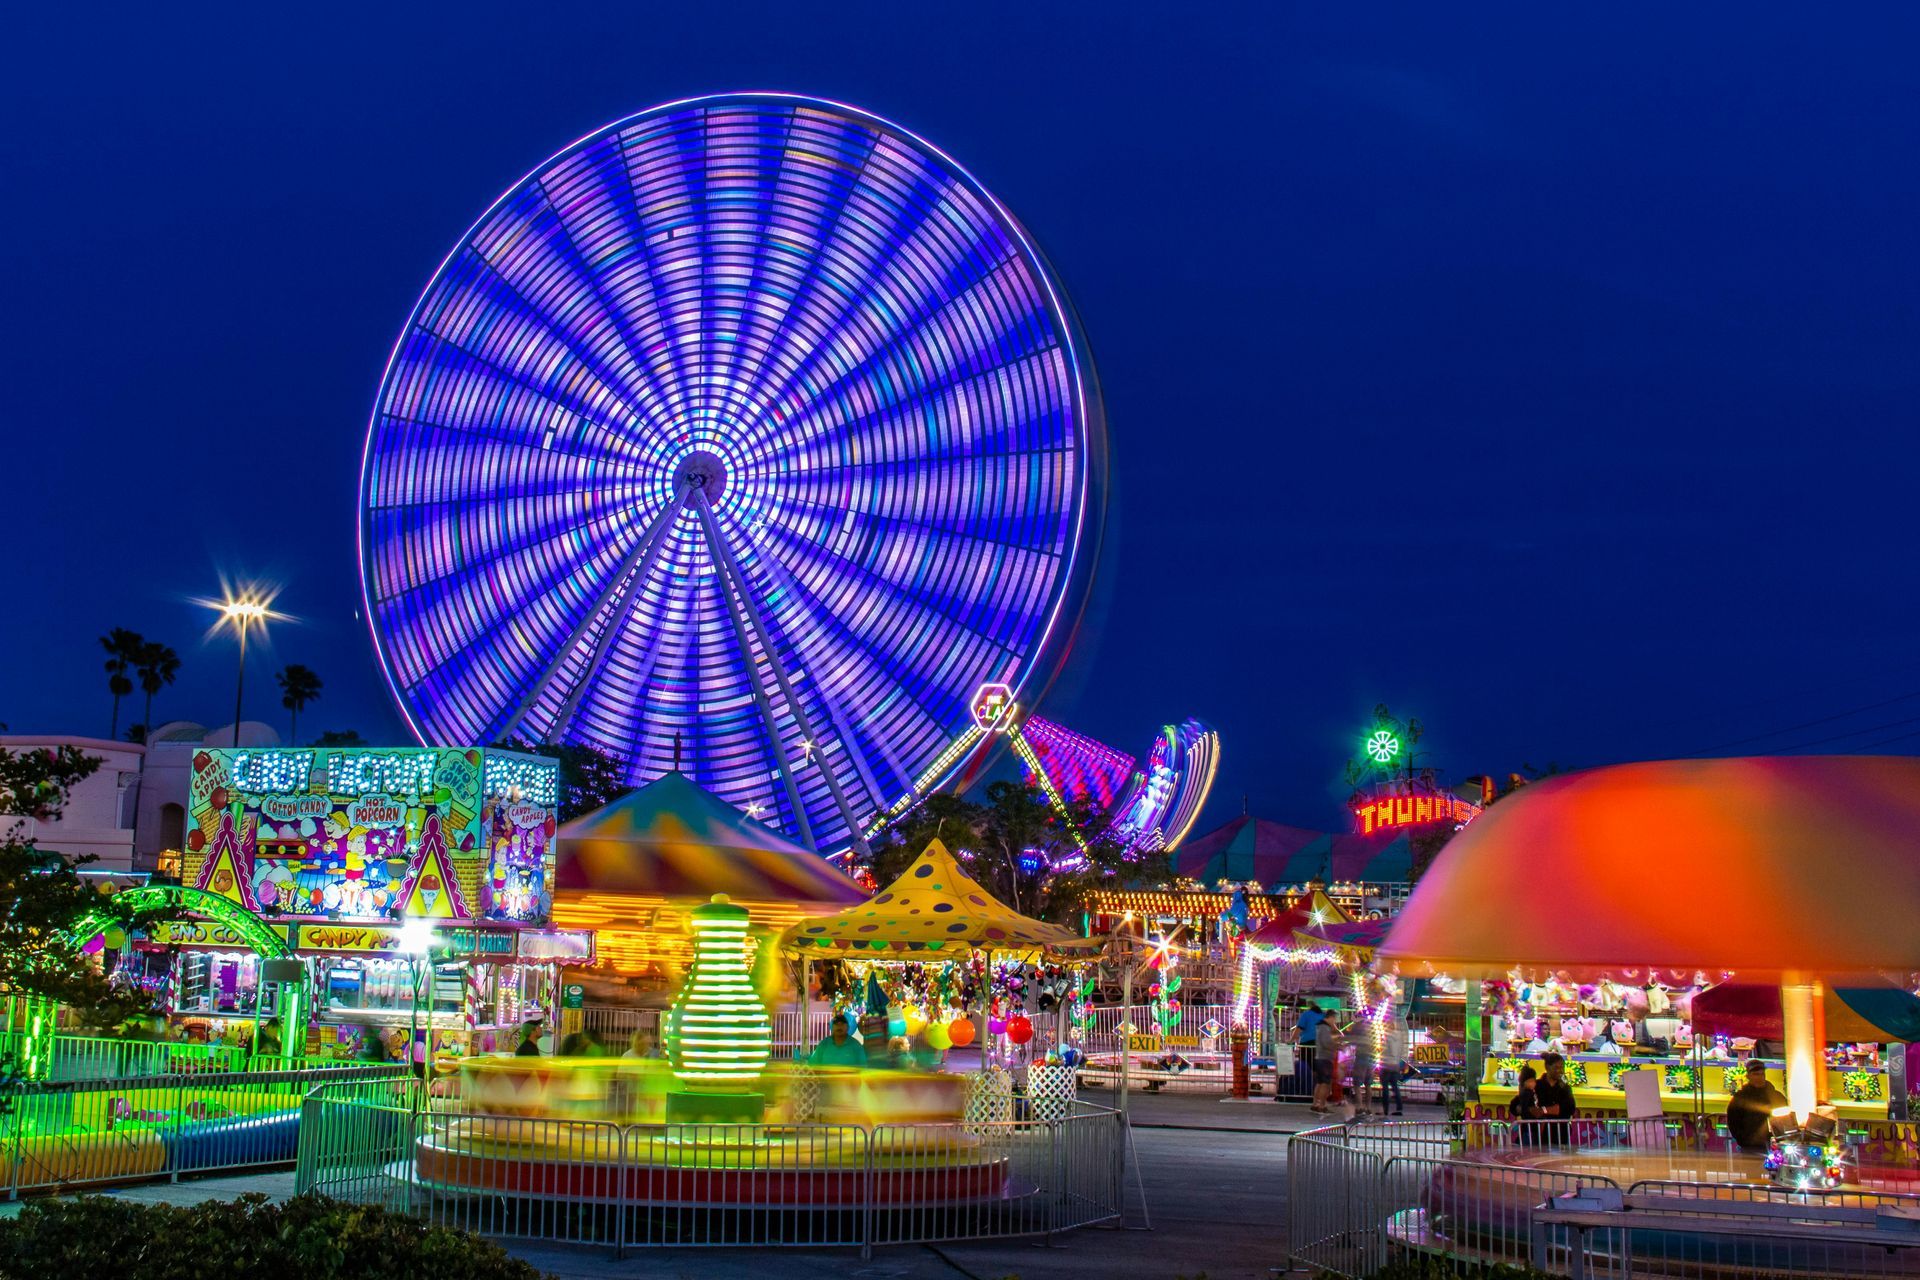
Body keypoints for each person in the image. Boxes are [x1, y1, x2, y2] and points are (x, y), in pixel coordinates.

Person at [1726, 1068, 1790, 1152]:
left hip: (1773, 1146)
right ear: (1748, 1076)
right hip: (1748, 1146)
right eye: (1756, 1074)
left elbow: (1786, 1121)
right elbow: (1733, 1121)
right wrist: (1743, 1139)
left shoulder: (1777, 1097)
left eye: (1762, 1074)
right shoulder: (1741, 1098)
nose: (1759, 1077)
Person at [1534, 1052, 1577, 1145]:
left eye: (1562, 1067)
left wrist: (1544, 1110)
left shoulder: (1565, 1088)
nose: (1560, 1071)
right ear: (1547, 1067)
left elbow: (1570, 1109)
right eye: (1556, 1067)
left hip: (1561, 1133)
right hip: (1540, 1134)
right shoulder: (1537, 1085)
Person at [1380, 1009, 1409, 1116]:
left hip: (1386, 1064)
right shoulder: (1399, 1036)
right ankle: (1399, 1107)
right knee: (1395, 1087)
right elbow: (1402, 1050)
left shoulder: (1386, 1036)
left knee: (1385, 1088)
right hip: (1395, 1064)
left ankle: (1385, 1109)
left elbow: (1384, 1049)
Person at [1311, 1014, 1342, 1114]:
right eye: (1334, 1019)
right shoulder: (1325, 1028)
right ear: (1330, 1017)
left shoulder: (1320, 1027)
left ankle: (1315, 1103)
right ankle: (1322, 1105)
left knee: (1320, 1083)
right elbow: (1327, 1043)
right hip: (1325, 1058)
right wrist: (1336, 1046)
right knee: (1325, 1083)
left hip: (1320, 1058)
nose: (1334, 1022)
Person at [1509, 1065, 1542, 1143]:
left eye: (1534, 1081)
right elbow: (1524, 1108)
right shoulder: (1526, 1094)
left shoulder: (1531, 1093)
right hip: (1528, 1126)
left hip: (1530, 1126)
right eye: (1530, 1081)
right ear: (1524, 1083)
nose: (1533, 1083)